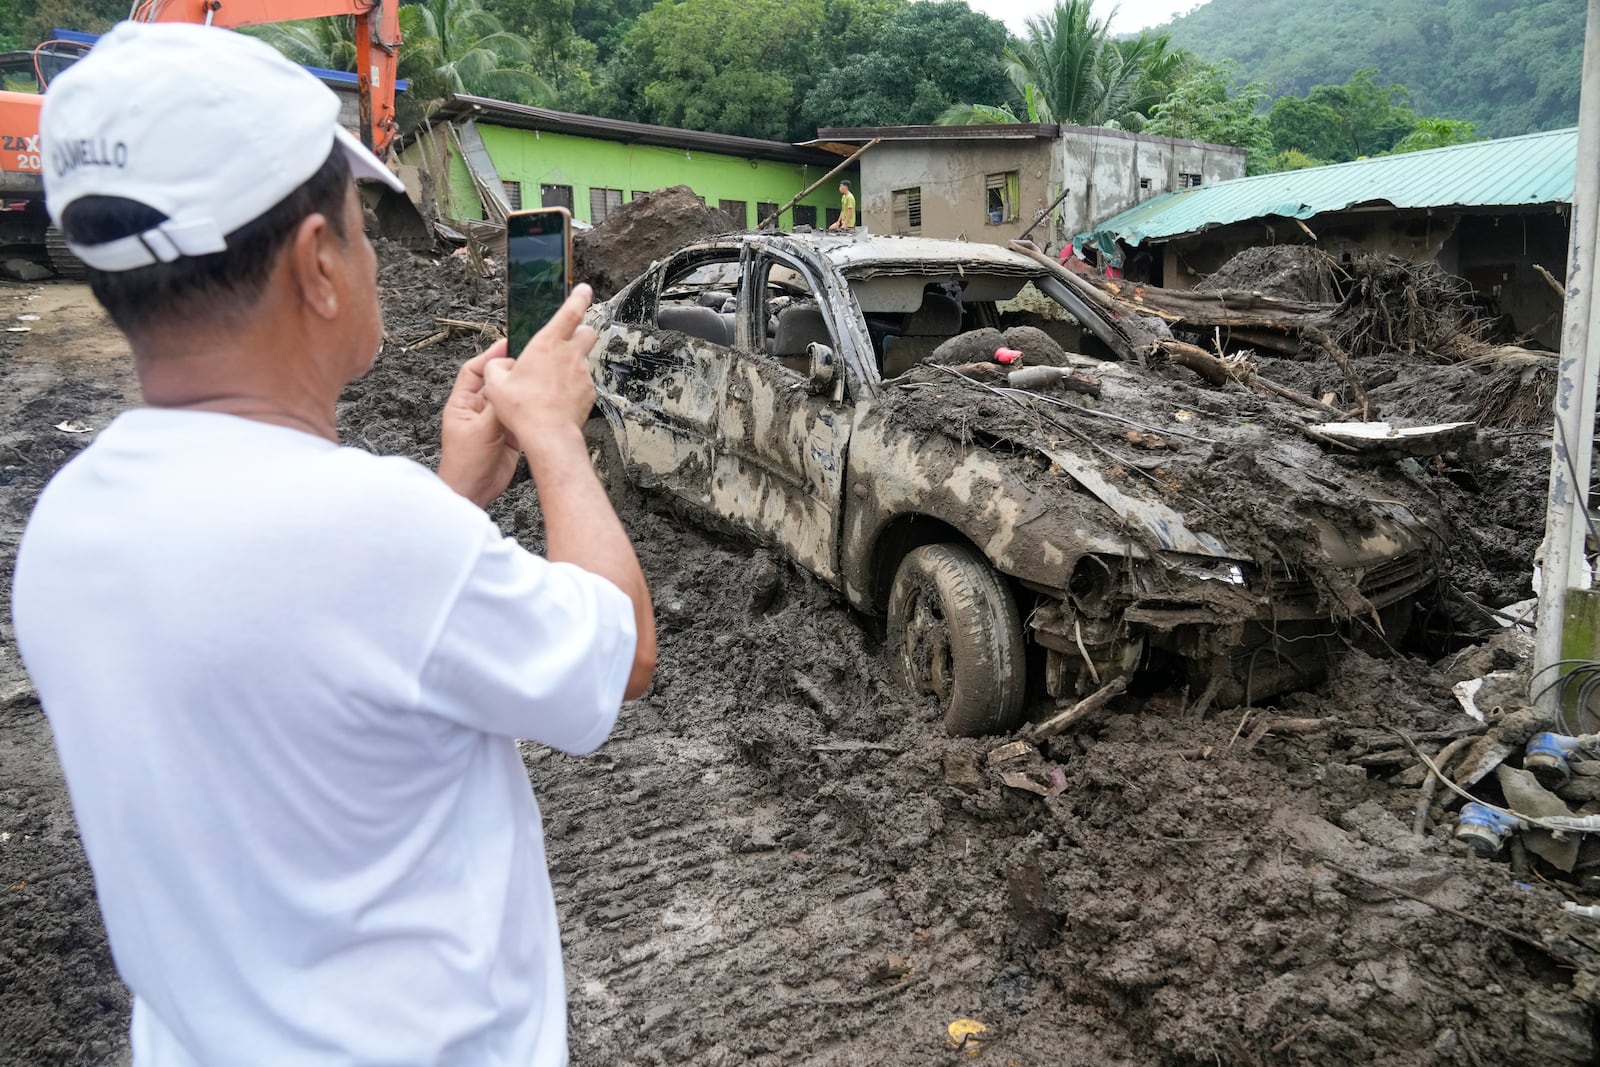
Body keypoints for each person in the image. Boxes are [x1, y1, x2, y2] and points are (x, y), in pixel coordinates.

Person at [11, 21, 655, 1067]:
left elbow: (310, 648)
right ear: (316, 264)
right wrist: (553, 436)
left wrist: (455, 495)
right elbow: (616, 650)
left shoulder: (68, 525)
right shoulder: (374, 533)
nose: (370, 259)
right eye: (359, 228)